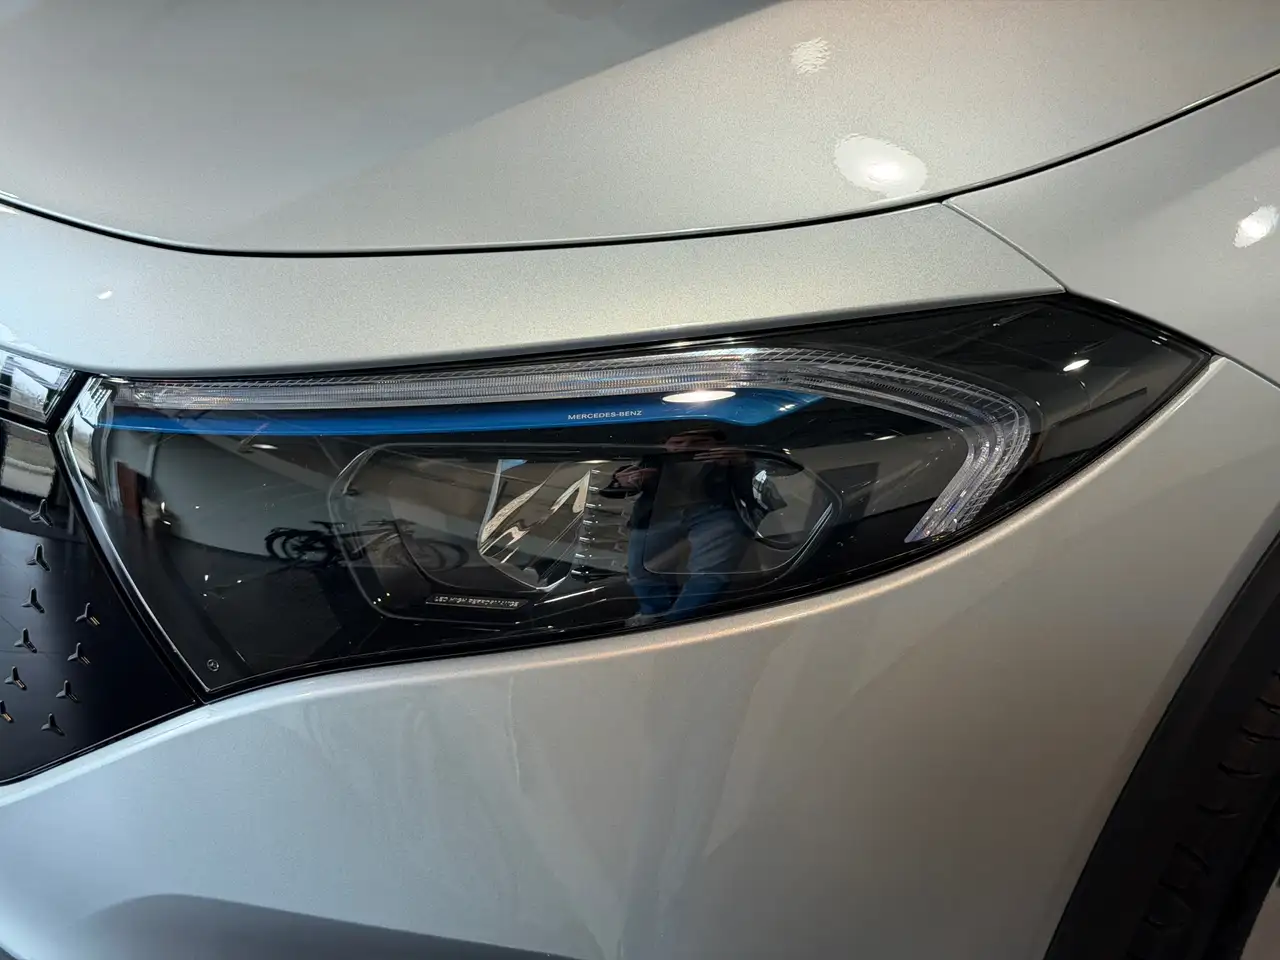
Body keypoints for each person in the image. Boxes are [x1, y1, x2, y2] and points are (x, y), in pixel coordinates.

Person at [603, 428, 760, 626]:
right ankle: (652, 613)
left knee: (709, 571)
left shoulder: (733, 460)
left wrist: (742, 463)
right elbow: (621, 483)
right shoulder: (653, 459)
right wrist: (624, 482)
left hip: (713, 513)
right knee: (639, 569)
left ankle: (679, 620)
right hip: (659, 517)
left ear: (718, 444)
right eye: (678, 443)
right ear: (665, 445)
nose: (687, 448)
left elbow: (759, 488)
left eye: (699, 442)